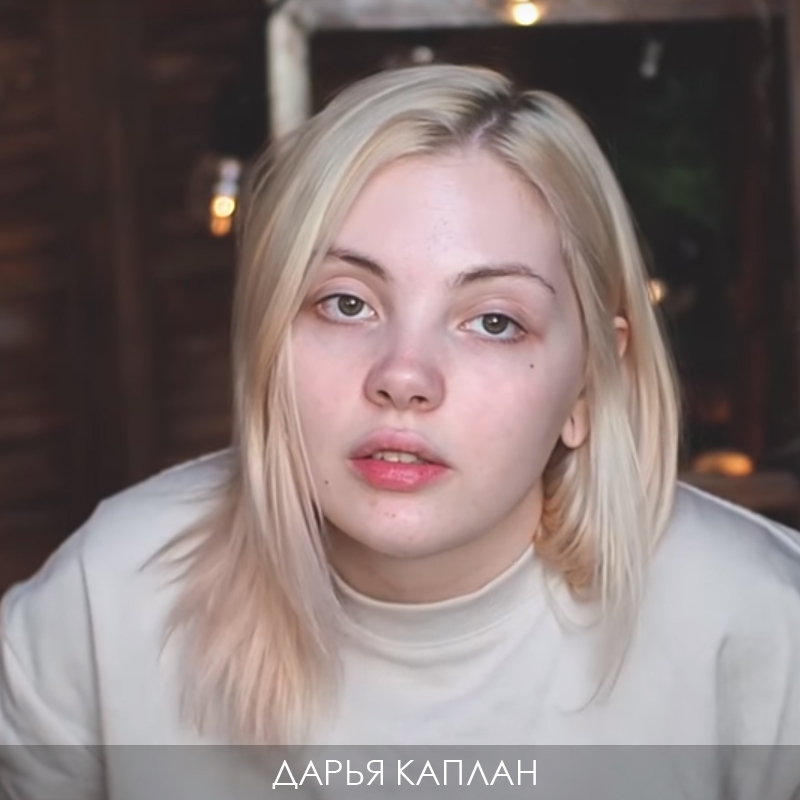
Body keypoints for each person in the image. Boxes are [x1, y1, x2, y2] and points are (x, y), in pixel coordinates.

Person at [2, 64, 800, 800]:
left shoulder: (764, 624)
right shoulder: (105, 601)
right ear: (267, 339)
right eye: (346, 303)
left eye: (494, 321)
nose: (404, 376)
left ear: (590, 382)